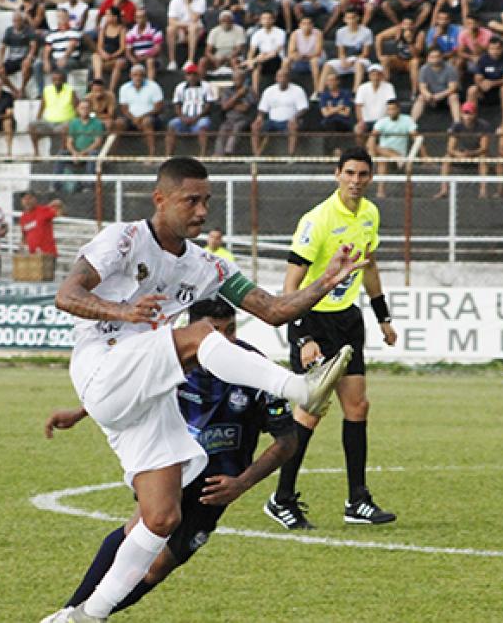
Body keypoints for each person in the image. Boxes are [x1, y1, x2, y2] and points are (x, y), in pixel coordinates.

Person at [41, 156, 359, 621]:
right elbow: (66, 295)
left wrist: (326, 281)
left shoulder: (206, 265)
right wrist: (121, 311)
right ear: (160, 199)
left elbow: (273, 310)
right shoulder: (123, 239)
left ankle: (85, 615)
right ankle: (299, 388)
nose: (202, 210)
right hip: (101, 364)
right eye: (191, 200)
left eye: (206, 200)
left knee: (161, 517)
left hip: (142, 393)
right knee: (200, 335)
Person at [45, 298, 296, 619]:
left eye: (231, 330)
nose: (225, 340)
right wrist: (80, 413)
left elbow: (287, 440)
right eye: (215, 332)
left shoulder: (254, 369)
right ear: (195, 330)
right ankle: (71, 612)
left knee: (158, 568)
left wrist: (241, 484)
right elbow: (122, 389)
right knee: (140, 528)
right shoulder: (169, 360)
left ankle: (81, 614)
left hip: (216, 486)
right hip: (171, 466)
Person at [264, 148, 397, 531]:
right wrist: (303, 336)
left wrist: (383, 316)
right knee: (310, 411)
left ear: (371, 178)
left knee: (357, 406)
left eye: (363, 174)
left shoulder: (370, 214)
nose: (356, 181)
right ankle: (281, 498)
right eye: (349, 173)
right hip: (313, 321)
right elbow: (291, 285)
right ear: (337, 173)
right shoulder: (317, 220)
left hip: (348, 320)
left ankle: (357, 500)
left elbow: (369, 267)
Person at [439, 102, 491, 198]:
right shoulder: (457, 126)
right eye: (465, 113)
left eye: (470, 113)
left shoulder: (483, 125)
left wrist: (471, 153)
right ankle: (444, 189)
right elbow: (450, 148)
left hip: (476, 154)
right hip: (461, 154)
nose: (467, 116)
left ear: (475, 114)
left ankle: (483, 190)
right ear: (461, 114)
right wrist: (458, 154)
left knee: (483, 158)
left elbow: (484, 147)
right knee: (446, 158)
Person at [252, 68, 308, 157]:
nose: (281, 79)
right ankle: (256, 155)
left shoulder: (298, 90)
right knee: (255, 126)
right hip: (272, 122)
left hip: (289, 121)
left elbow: (303, 108)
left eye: (284, 76)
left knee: (293, 126)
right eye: (279, 76)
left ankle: (291, 156)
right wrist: (259, 117)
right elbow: (262, 108)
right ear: (276, 78)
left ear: (288, 78)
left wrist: (295, 118)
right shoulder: (269, 91)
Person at [368, 99, 419, 196]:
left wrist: (425, 156)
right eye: (389, 109)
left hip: (400, 155)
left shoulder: (407, 120)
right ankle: (380, 191)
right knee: (380, 157)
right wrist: (372, 155)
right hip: (386, 156)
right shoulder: (382, 121)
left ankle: (397, 157)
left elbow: (416, 138)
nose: (391, 112)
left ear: (398, 109)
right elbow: (371, 138)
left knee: (380, 151)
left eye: (393, 109)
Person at [117, 63, 164, 159]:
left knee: (147, 122)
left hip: (151, 116)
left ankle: (152, 155)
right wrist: (134, 119)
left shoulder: (153, 86)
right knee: (118, 123)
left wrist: (141, 117)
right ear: (130, 76)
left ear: (144, 75)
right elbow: (124, 108)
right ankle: (112, 153)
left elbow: (158, 108)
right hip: (131, 117)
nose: (138, 78)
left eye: (140, 75)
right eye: (135, 75)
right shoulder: (124, 88)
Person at [319, 8, 372, 93]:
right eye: (348, 18)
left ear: (358, 18)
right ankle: (319, 92)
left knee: (359, 65)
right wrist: (343, 60)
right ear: (344, 19)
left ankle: (355, 92)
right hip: (346, 60)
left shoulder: (366, 32)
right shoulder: (340, 32)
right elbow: (341, 52)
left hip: (360, 59)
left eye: (353, 18)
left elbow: (365, 53)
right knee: (328, 65)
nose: (351, 21)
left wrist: (353, 61)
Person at [167, 64, 215, 158]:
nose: (192, 77)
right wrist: (182, 117)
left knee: (203, 125)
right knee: (172, 124)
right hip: (184, 117)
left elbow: (208, 105)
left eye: (194, 74)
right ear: (186, 76)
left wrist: (196, 118)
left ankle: (203, 155)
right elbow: (177, 104)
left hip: (200, 117)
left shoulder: (206, 86)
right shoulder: (180, 87)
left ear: (198, 75)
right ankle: (169, 155)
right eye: (189, 74)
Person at [467, 37, 503, 126]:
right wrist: (481, 84)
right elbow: (477, 77)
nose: (495, 51)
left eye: (497, 49)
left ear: (502, 48)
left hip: (500, 89)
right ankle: (471, 121)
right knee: (472, 90)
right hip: (486, 90)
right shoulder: (483, 59)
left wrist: (492, 83)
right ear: (488, 49)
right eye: (492, 49)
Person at [30, 66, 78, 155]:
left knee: (65, 128)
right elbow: (42, 107)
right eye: (55, 80)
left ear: (64, 80)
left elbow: (77, 108)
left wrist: (75, 122)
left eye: (59, 80)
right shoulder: (47, 90)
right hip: (48, 123)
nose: (57, 82)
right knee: (32, 126)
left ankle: (62, 152)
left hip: (65, 122)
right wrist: (38, 119)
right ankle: (36, 153)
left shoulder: (70, 91)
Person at [60, 100, 103, 193]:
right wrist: (74, 153)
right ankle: (56, 184)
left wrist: (83, 153)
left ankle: (89, 186)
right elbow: (69, 142)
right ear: (78, 110)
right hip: (76, 152)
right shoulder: (74, 123)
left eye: (87, 108)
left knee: (94, 154)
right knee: (62, 153)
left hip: (90, 152)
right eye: (82, 108)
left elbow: (97, 142)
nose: (84, 110)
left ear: (90, 109)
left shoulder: (97, 123)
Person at [165, 0, 207, 73]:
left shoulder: (201, 0)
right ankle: (172, 61)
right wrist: (185, 26)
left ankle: (190, 60)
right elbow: (171, 21)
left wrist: (188, 4)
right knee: (170, 29)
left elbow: (194, 19)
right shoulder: (174, 1)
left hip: (197, 28)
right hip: (181, 27)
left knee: (193, 28)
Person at [0, 11, 38, 98]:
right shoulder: (9, 30)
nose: (16, 23)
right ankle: (14, 90)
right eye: (14, 21)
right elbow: (3, 47)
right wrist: (0, 61)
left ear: (22, 21)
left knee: (26, 66)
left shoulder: (29, 30)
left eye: (18, 20)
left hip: (24, 58)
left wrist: (29, 57)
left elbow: (33, 46)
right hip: (12, 59)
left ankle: (22, 88)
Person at [213, 69, 255, 156]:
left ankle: (229, 152)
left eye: (239, 78)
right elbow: (224, 107)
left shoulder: (249, 91)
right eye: (235, 78)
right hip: (229, 119)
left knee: (237, 127)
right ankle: (218, 155)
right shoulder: (227, 91)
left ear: (243, 79)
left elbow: (244, 108)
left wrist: (231, 104)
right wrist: (238, 95)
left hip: (243, 118)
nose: (236, 80)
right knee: (223, 129)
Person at [412, 46, 460, 123]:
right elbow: (422, 87)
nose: (435, 59)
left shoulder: (450, 68)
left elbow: (452, 88)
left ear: (441, 57)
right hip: (431, 97)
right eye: (432, 57)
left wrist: (439, 96)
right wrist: (428, 95)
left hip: (445, 97)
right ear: (428, 58)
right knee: (421, 97)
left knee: (454, 97)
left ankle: (457, 123)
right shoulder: (424, 69)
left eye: (437, 57)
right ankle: (412, 123)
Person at [243, 10, 286, 93]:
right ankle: (255, 93)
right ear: (261, 20)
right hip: (262, 60)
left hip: (277, 59)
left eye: (269, 18)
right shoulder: (257, 34)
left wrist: (255, 60)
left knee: (257, 61)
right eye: (264, 18)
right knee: (255, 67)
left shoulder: (280, 32)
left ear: (273, 20)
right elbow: (251, 51)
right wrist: (250, 61)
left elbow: (276, 52)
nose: (266, 20)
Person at [38, 8, 83, 85]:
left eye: (63, 16)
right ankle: (41, 90)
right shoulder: (52, 33)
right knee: (38, 65)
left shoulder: (75, 30)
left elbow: (71, 46)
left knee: (63, 64)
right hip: (55, 59)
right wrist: (46, 61)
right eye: (59, 16)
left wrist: (64, 58)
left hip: (71, 58)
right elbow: (47, 49)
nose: (61, 18)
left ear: (68, 18)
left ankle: (62, 89)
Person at [353, 64, 396, 139]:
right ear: (369, 76)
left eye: (378, 74)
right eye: (373, 75)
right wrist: (361, 121)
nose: (376, 77)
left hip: (384, 121)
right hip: (366, 121)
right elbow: (358, 106)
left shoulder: (389, 86)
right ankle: (362, 147)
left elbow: (391, 104)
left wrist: (389, 120)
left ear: (381, 76)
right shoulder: (362, 87)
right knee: (358, 130)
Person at [19, 191, 62, 264]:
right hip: (33, 256)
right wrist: (21, 248)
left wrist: (58, 204)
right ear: (22, 201)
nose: (27, 201)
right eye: (24, 199)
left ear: (35, 199)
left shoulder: (43, 210)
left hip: (47, 255)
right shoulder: (23, 217)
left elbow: (60, 212)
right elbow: (24, 236)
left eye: (29, 198)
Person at [202, 10, 247, 76]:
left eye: (228, 20)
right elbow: (207, 51)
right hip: (218, 57)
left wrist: (227, 57)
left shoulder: (239, 29)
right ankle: (201, 81)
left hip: (233, 56)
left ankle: (238, 80)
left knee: (234, 61)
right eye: (224, 20)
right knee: (203, 61)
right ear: (220, 21)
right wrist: (214, 59)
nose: (226, 22)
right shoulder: (214, 31)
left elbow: (239, 49)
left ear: (232, 20)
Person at [125, 7, 163, 81]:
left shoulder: (154, 29)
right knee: (133, 65)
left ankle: (150, 84)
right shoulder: (131, 32)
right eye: (137, 17)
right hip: (136, 58)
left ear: (146, 18)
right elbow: (128, 51)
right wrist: (133, 60)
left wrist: (145, 57)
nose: (140, 19)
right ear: (135, 18)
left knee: (150, 61)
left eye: (142, 17)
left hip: (151, 58)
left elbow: (157, 48)